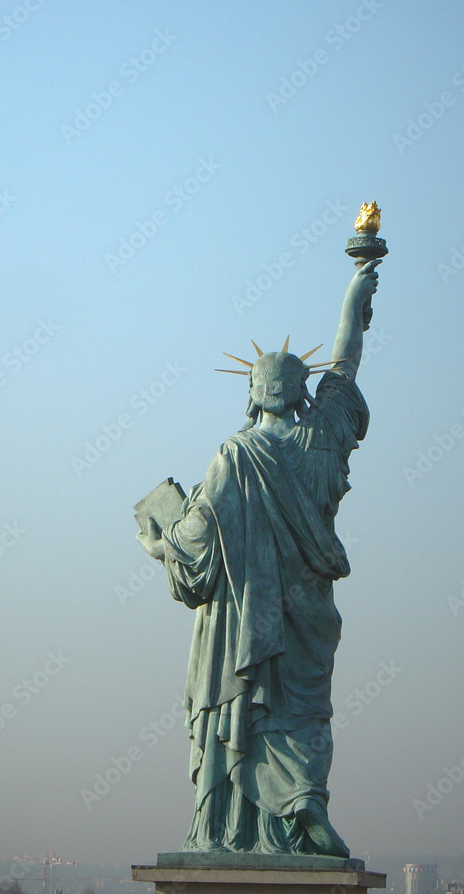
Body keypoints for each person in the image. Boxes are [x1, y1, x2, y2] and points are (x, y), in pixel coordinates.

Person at [137, 259, 380, 857]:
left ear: (251, 396)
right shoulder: (323, 438)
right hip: (304, 621)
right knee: (305, 711)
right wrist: (357, 289)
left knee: (246, 711)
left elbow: (191, 548)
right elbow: (346, 357)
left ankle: (234, 828)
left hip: (244, 628)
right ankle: (304, 803)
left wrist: (154, 543)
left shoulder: (233, 457)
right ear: (303, 391)